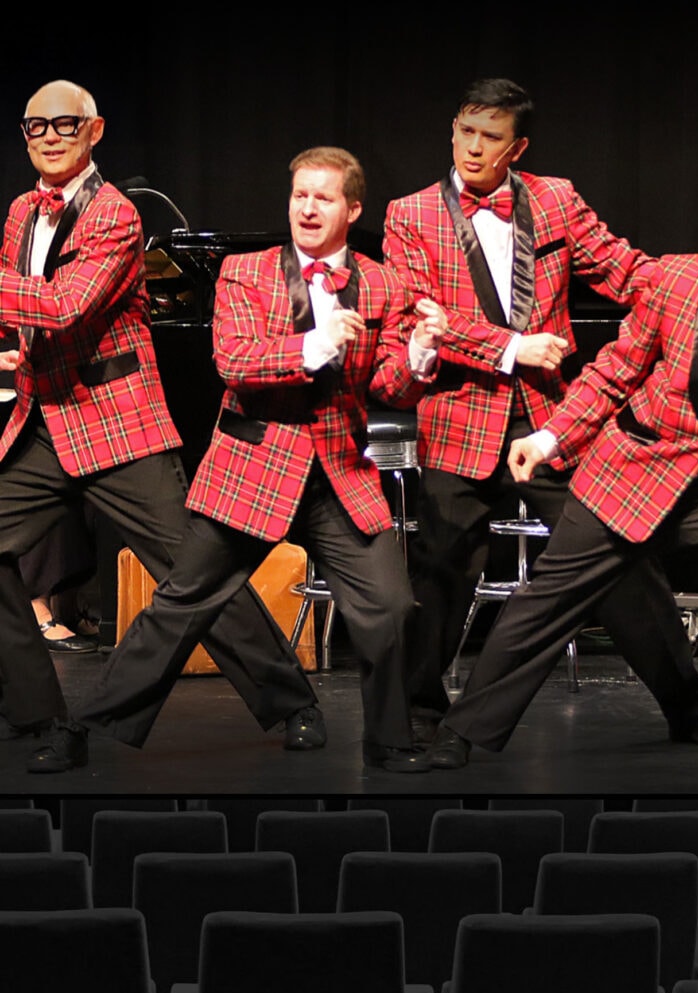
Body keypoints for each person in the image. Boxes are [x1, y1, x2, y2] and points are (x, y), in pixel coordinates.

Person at [425, 148, 698, 784]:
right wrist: (549, 437)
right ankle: (460, 732)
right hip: (637, 467)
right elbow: (615, 371)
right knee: (545, 604)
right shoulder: (677, 277)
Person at [384, 77, 698, 751]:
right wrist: (512, 346)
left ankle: (688, 704)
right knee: (441, 568)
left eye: (491, 137)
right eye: (466, 131)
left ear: (517, 147)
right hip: (460, 416)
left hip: (550, 417)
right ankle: (421, 712)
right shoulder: (410, 214)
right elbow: (414, 315)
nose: (473, 148)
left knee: (618, 553)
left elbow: (624, 269)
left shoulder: (555, 199)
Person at [77, 146, 445, 773]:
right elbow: (236, 362)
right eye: (300, 195)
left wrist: (418, 355)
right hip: (254, 466)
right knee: (182, 603)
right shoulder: (245, 272)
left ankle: (389, 741)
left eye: (323, 197)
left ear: (353, 209)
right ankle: (89, 728)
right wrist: (314, 343)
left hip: (339, 473)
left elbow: (388, 387)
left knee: (389, 606)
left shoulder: (385, 284)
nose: (308, 208)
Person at [0, 79, 326, 773]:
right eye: (36, 127)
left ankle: (292, 702)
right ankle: (35, 712)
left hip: (118, 427)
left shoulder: (114, 214)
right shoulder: (22, 212)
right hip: (45, 421)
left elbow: (63, 306)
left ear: (94, 131)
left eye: (64, 124)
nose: (50, 137)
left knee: (191, 575)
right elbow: (22, 307)